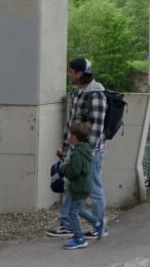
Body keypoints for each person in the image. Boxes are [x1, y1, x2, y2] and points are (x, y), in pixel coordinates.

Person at [46, 58, 108, 240]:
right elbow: (72, 123)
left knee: (95, 187)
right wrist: (67, 148)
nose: (68, 74)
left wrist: (88, 152)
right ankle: (67, 224)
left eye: (71, 71)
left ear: (80, 74)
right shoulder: (77, 92)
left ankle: (99, 225)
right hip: (76, 149)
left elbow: (97, 126)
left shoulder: (96, 95)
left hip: (89, 152)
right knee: (69, 185)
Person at [58, 122, 99, 250]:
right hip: (85, 186)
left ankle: (79, 238)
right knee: (79, 210)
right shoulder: (86, 149)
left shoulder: (77, 153)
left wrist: (63, 168)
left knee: (73, 212)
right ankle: (98, 224)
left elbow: (74, 171)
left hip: (79, 187)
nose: (69, 137)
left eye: (70, 135)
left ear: (75, 137)